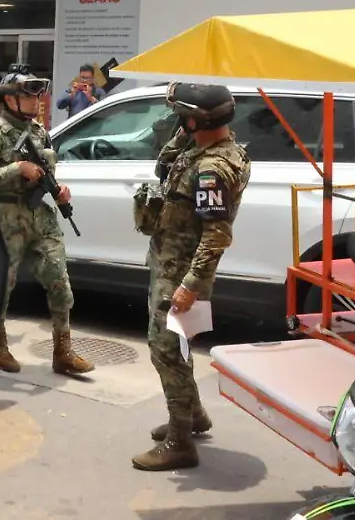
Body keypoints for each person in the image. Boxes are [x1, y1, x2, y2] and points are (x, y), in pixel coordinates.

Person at [131, 82, 250, 472]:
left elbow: (217, 236)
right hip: (169, 263)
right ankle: (192, 414)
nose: (177, 121)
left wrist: (188, 286)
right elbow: (162, 165)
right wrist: (186, 130)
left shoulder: (211, 169)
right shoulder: (202, 149)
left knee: (165, 350)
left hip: (180, 272)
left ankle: (180, 441)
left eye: (183, 115)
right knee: (177, 349)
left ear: (197, 120)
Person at [0, 63, 95, 377]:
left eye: (40, 94)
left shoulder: (39, 131)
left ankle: (63, 351)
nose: (38, 100)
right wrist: (17, 169)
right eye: (30, 94)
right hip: (7, 217)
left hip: (41, 216)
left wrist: (60, 192)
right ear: (10, 99)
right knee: (3, 286)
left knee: (60, 282)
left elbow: (48, 174)